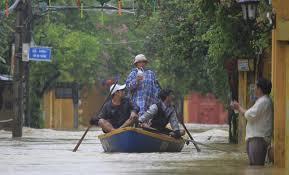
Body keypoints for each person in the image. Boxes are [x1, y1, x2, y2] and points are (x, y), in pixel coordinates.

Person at [231, 78, 273, 166]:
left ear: (260, 89)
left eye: (256, 87)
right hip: (256, 139)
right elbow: (249, 114)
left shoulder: (263, 101)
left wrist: (238, 107)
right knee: (254, 168)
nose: (254, 89)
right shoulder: (262, 101)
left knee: (255, 168)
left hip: (258, 139)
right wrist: (239, 109)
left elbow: (249, 115)